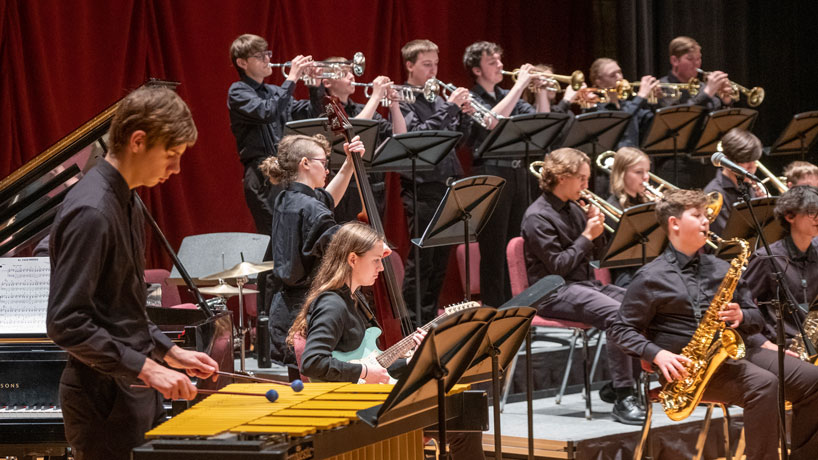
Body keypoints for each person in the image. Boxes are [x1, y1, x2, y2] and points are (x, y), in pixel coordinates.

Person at [46, 86, 219, 460]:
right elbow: (66, 322)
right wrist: (148, 369)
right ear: (138, 141)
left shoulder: (129, 200)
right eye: (171, 155)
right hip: (103, 402)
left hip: (133, 391)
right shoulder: (92, 211)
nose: (175, 169)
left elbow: (121, 308)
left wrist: (169, 351)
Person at [608, 188, 818, 460]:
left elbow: (754, 318)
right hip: (687, 369)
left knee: (813, 380)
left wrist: (742, 316)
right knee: (764, 385)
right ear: (674, 224)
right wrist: (656, 353)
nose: (707, 221)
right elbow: (620, 328)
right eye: (697, 215)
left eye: (707, 215)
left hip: (734, 352)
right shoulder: (650, 277)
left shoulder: (721, 268)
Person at [288, 221, 484, 460]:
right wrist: (363, 372)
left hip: (368, 397)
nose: (381, 268)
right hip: (355, 408)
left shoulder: (354, 298)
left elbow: (375, 365)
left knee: (462, 412)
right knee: (461, 422)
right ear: (352, 259)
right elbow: (313, 363)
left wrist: (414, 360)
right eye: (375, 260)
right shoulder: (332, 305)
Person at [520, 147, 644, 425]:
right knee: (617, 315)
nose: (587, 186)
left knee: (640, 305)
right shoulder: (537, 216)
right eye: (582, 180)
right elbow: (559, 266)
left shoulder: (575, 209)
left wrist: (595, 229)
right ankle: (624, 396)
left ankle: (620, 385)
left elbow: (597, 258)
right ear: (562, 178)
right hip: (551, 292)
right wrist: (587, 235)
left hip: (583, 285)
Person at [227, 33, 319, 316]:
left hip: (282, 175)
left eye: (268, 53)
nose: (269, 59)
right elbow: (267, 112)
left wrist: (314, 86)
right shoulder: (238, 91)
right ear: (242, 62)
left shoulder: (272, 92)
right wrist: (291, 79)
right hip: (261, 177)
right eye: (261, 56)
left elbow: (310, 112)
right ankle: (267, 327)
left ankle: (282, 323)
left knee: (287, 247)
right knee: (275, 247)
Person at [259, 133, 364, 365]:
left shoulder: (286, 197)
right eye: (324, 163)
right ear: (305, 163)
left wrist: (349, 164)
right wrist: (372, 246)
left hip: (285, 308)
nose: (327, 170)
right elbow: (340, 245)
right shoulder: (311, 209)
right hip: (307, 311)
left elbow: (326, 200)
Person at [461, 41, 550, 308]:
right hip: (490, 173)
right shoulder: (471, 97)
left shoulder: (506, 93)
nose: (501, 66)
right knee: (494, 248)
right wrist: (520, 86)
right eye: (493, 62)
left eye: (500, 60)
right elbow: (491, 121)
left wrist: (542, 91)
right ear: (477, 70)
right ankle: (494, 310)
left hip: (517, 174)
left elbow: (541, 123)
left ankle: (517, 307)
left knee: (516, 246)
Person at [397, 39, 474, 325]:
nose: (434, 71)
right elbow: (418, 136)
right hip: (422, 187)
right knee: (422, 261)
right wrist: (451, 109)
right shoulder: (402, 96)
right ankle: (409, 326)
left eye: (436, 64)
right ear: (410, 65)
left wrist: (464, 118)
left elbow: (456, 142)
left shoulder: (437, 98)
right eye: (427, 65)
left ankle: (428, 322)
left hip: (448, 185)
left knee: (441, 262)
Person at [313, 57, 407, 222]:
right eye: (344, 73)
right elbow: (351, 133)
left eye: (351, 72)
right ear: (326, 82)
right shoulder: (325, 110)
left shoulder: (362, 109)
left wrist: (395, 106)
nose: (351, 77)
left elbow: (400, 137)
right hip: (346, 190)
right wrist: (376, 97)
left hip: (373, 187)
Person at [743, 186, 818, 356]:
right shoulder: (767, 258)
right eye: (811, 211)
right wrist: (765, 344)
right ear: (790, 215)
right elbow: (739, 305)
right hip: (783, 348)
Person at [604, 147, 653, 287]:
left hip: (650, 268)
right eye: (639, 172)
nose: (646, 177)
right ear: (622, 174)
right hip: (628, 274)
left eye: (647, 171)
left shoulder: (647, 202)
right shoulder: (612, 207)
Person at [704, 127, 766, 236]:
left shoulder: (748, 186)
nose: (752, 167)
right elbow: (727, 238)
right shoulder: (715, 194)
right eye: (746, 161)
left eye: (754, 160)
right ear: (727, 161)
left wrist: (763, 207)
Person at [587, 58, 659, 149]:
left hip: (634, 157)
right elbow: (623, 118)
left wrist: (653, 100)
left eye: (619, 72)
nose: (620, 77)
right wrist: (641, 97)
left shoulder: (629, 105)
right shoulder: (595, 109)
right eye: (613, 75)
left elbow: (654, 123)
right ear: (599, 82)